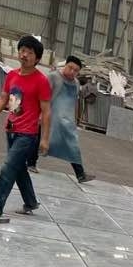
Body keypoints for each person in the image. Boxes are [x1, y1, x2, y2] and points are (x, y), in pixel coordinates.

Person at [0, 35, 51, 218]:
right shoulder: (11, 76)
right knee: (19, 169)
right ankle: (31, 202)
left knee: (8, 168)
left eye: (30, 53)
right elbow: (3, 100)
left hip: (27, 134)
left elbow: (46, 111)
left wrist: (45, 139)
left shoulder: (41, 81)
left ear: (37, 58)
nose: (24, 55)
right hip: (11, 129)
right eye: (22, 50)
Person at [45, 56, 96, 184]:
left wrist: (76, 118)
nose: (72, 72)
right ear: (65, 65)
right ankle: (30, 162)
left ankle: (80, 174)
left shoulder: (76, 83)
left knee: (72, 144)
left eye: (76, 70)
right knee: (40, 139)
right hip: (51, 114)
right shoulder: (53, 77)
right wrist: (42, 113)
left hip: (67, 120)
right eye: (70, 68)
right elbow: (44, 96)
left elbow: (75, 101)